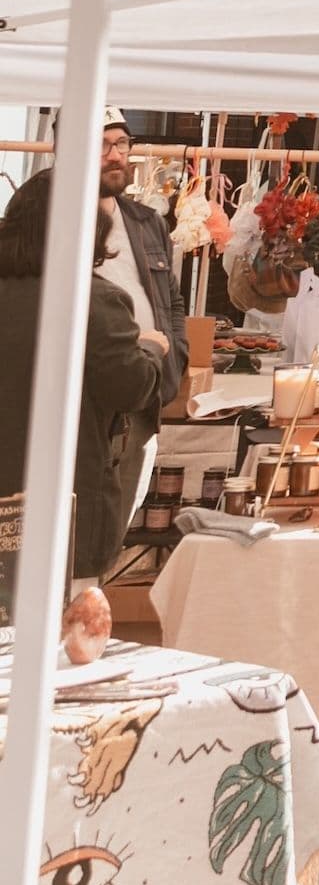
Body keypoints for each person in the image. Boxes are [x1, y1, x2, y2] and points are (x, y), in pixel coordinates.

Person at [0, 167, 176, 593]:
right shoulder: (91, 300)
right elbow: (133, 386)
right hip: (66, 495)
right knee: (62, 632)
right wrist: (152, 347)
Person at [95, 108, 183, 522]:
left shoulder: (147, 222)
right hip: (87, 395)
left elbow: (173, 300)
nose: (115, 155)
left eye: (122, 144)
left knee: (121, 516)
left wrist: (175, 360)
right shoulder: (47, 216)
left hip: (144, 392)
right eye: (102, 144)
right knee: (81, 519)